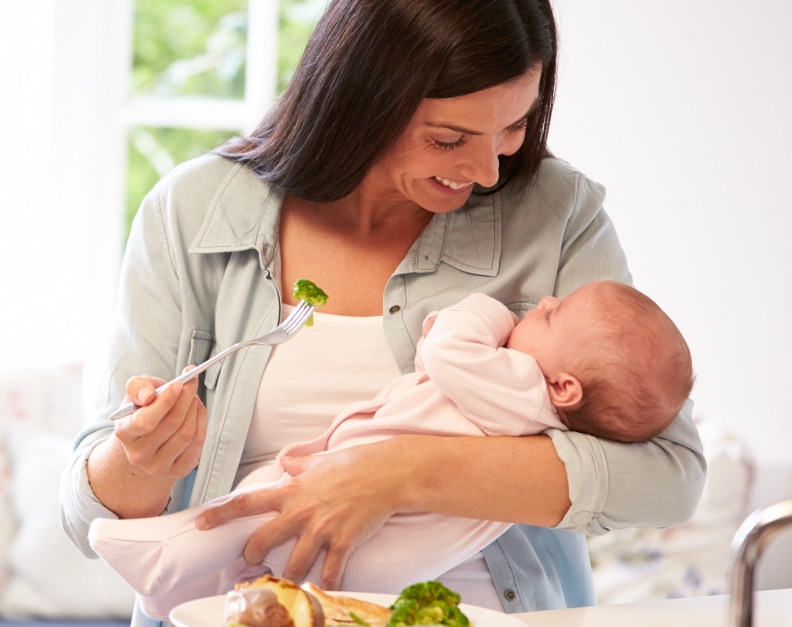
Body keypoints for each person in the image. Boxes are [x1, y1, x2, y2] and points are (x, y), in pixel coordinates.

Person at [60, 0, 706, 625]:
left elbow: (668, 475)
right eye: (450, 138)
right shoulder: (194, 210)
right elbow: (86, 515)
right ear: (359, 101)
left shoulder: (556, 213)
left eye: (512, 128)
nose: (486, 170)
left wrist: (397, 473)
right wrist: (142, 460)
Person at [87, 281, 695, 619]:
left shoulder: (521, 384)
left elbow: (449, 351)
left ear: (565, 385)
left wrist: (480, 308)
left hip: (374, 516)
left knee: (250, 509)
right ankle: (181, 592)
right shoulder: (545, 415)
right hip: (400, 559)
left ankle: (159, 557)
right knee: (256, 562)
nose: (539, 303)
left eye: (553, 315)